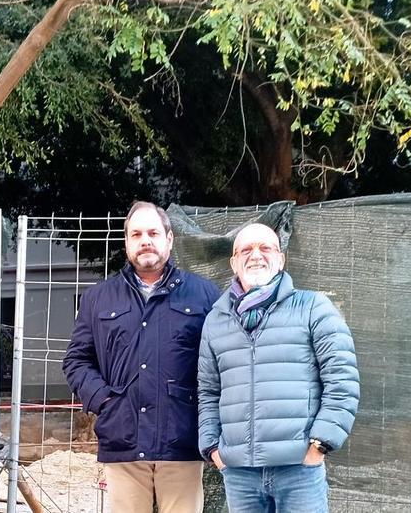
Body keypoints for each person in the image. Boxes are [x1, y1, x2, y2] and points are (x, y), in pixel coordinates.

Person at [63, 201, 221, 513]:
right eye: (136, 234)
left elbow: (221, 360)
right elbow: (76, 361)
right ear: (126, 243)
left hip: (181, 441)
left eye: (152, 232)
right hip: (123, 441)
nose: (145, 240)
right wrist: (106, 401)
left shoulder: (203, 295)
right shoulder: (98, 298)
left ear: (169, 239)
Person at [197, 223, 360, 512]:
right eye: (245, 249)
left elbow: (342, 379)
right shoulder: (216, 320)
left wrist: (320, 444)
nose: (255, 255)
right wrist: (213, 448)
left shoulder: (313, 307)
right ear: (233, 262)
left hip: (298, 470)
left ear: (281, 259)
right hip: (239, 474)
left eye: (265, 247)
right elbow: (208, 391)